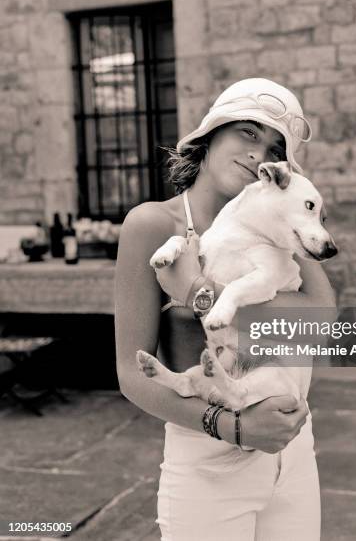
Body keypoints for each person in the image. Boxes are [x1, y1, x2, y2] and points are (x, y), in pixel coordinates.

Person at [115, 78, 337, 541]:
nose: (260, 153)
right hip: (208, 464)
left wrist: (198, 289)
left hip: (293, 455)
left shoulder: (282, 230)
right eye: (248, 132)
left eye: (275, 146)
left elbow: (321, 323)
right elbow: (131, 373)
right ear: (210, 134)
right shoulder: (153, 224)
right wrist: (234, 426)